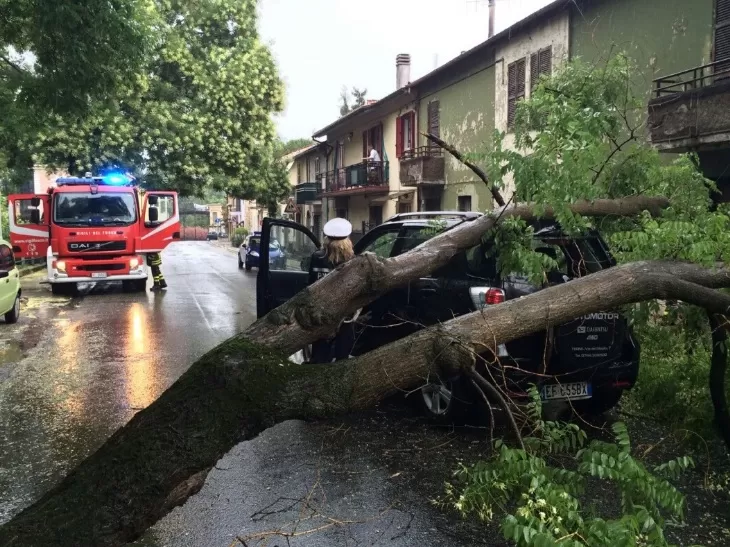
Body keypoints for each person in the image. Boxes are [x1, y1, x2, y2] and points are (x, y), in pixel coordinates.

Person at [308, 217, 356, 363]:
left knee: (319, 356)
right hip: (345, 316)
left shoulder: (317, 257)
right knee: (342, 355)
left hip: (321, 315)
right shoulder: (352, 259)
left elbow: (310, 285)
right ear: (347, 240)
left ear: (326, 239)